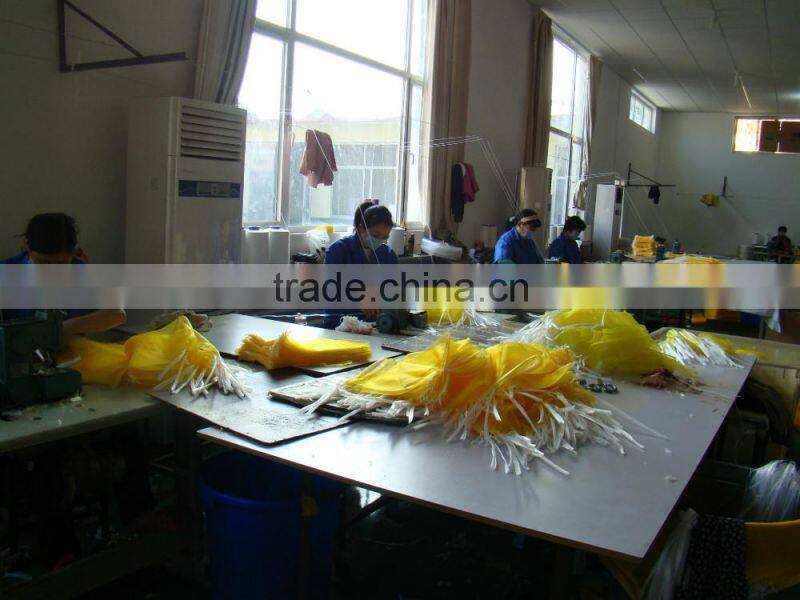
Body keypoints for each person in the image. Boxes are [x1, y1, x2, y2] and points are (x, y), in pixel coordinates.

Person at [1, 213, 126, 335]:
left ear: (74, 253)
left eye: (61, 263)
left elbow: (117, 314)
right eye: (43, 262)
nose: (52, 271)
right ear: (27, 246)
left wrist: (61, 329)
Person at [322, 201, 398, 328]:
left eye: (385, 237)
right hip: (340, 324)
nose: (380, 240)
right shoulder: (338, 250)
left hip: (378, 324)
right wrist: (360, 297)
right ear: (361, 228)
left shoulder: (388, 255)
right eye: (375, 235)